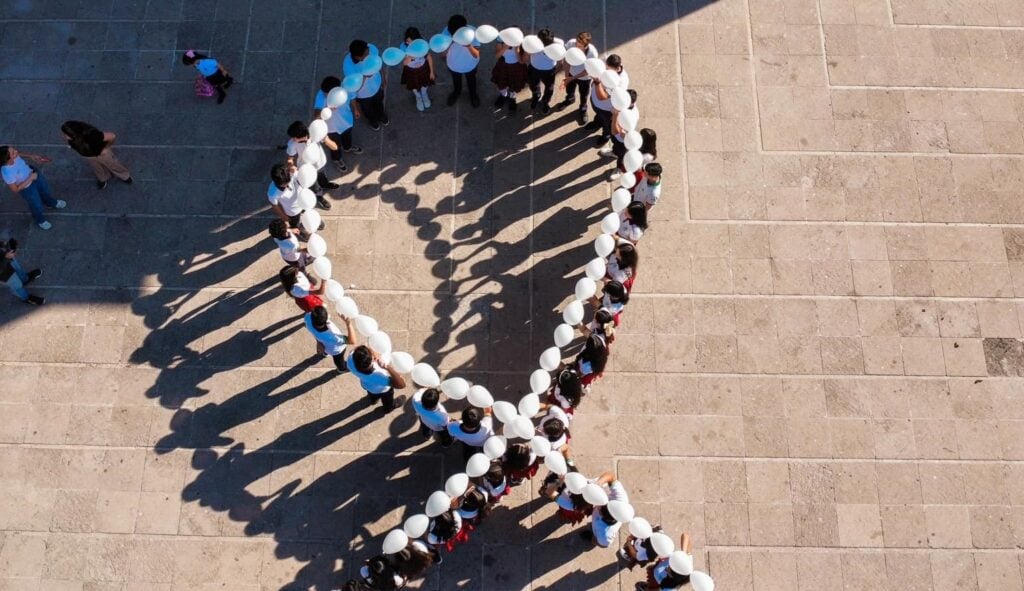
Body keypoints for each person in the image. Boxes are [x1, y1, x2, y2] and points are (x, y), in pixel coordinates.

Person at [1, 146, 65, 230]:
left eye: (14, 150)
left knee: (45, 191)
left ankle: (50, 203)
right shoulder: (7, 172)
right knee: (36, 204)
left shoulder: (14, 156)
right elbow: (15, 189)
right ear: (8, 160)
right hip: (27, 188)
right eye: (13, 152)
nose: (16, 151)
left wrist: (31, 156)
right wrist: (30, 178)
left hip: (33, 174)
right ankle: (40, 220)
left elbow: (19, 154)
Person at [59, 121, 132, 189]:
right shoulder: (72, 138)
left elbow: (112, 136)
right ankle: (102, 179)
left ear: (75, 133)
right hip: (89, 156)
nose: (64, 136)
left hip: (102, 154)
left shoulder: (92, 135)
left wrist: (106, 148)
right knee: (97, 168)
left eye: (66, 134)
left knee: (113, 164)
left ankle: (124, 175)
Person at [314, 77, 362, 173]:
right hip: (332, 129)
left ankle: (348, 148)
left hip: (347, 123)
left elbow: (352, 97)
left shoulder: (345, 89)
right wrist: (327, 109)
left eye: (327, 93)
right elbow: (316, 115)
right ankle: (337, 159)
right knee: (335, 147)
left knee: (348, 139)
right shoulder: (321, 95)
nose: (325, 94)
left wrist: (356, 109)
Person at [286, 121, 339, 207]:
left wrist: (325, 139)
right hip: (307, 168)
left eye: (294, 137)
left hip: (320, 163)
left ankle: (325, 184)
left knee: (322, 176)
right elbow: (290, 158)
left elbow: (335, 147)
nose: (292, 139)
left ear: (301, 136)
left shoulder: (315, 132)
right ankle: (319, 196)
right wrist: (291, 165)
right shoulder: (292, 144)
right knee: (315, 185)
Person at [344, 40, 389, 130]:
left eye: (367, 52)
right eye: (365, 55)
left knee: (379, 103)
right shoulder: (348, 67)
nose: (368, 55)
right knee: (367, 109)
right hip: (363, 95)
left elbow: (379, 64)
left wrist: (383, 78)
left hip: (377, 86)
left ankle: (381, 115)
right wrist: (364, 76)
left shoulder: (372, 49)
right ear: (357, 57)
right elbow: (352, 87)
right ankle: (373, 121)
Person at [585, 54, 629, 146]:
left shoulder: (621, 83)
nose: (606, 72)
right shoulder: (606, 60)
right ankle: (597, 123)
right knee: (598, 117)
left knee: (607, 124)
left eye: (609, 71)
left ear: (618, 69)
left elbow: (602, 97)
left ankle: (606, 136)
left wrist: (597, 82)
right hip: (595, 102)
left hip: (606, 109)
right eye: (606, 68)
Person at [556, 31, 599, 125]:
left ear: (586, 45)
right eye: (576, 42)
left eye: (579, 45)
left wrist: (572, 78)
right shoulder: (571, 43)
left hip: (584, 78)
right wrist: (567, 76)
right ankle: (570, 99)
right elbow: (566, 60)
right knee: (569, 89)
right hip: (571, 73)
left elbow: (588, 71)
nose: (576, 46)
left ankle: (583, 108)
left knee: (584, 95)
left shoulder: (592, 54)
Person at [346, 345, 407, 412]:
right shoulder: (380, 374)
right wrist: (387, 367)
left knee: (372, 395)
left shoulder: (350, 361)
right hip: (383, 390)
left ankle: (373, 400)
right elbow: (401, 385)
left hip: (367, 386)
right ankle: (388, 408)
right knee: (387, 401)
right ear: (372, 359)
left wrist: (370, 353)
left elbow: (355, 350)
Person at [580, 472, 630, 547]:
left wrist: (593, 539)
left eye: (602, 506)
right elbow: (611, 476)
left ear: (602, 516)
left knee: (594, 534)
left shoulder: (606, 535)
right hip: (597, 523)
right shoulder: (622, 500)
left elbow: (603, 545)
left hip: (597, 533)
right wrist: (598, 484)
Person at [443, 14, 481, 107]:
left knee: (471, 80)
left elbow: (476, 55)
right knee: (456, 81)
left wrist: (469, 45)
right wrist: (448, 44)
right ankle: (457, 92)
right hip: (453, 65)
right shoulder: (447, 31)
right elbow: (442, 53)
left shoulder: (473, 33)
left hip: (470, 65)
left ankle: (473, 95)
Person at [305, 305, 354, 374]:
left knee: (326, 348)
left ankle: (325, 353)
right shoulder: (333, 336)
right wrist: (349, 324)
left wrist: (318, 342)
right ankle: (342, 368)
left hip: (324, 344)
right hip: (336, 350)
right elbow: (351, 341)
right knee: (339, 360)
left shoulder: (307, 318)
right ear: (326, 320)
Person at [600, 89, 639, 170]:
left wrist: (615, 116)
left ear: (630, 102)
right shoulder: (624, 106)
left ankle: (619, 169)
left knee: (622, 155)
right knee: (616, 148)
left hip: (622, 140)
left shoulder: (631, 116)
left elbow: (616, 132)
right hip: (617, 135)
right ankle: (614, 152)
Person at [399, 27, 435, 111]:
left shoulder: (423, 43)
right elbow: (404, 63)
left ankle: (424, 94)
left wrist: (432, 72)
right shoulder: (403, 46)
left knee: (425, 83)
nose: (410, 43)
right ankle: (418, 98)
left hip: (423, 68)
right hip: (410, 70)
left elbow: (429, 57)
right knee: (413, 86)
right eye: (409, 41)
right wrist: (411, 55)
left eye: (413, 41)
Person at [527, 28, 561, 114]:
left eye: (548, 43)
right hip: (534, 68)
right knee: (533, 85)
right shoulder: (532, 42)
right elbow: (527, 53)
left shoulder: (559, 44)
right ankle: (536, 96)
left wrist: (557, 70)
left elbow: (561, 58)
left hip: (549, 71)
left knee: (549, 89)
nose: (546, 46)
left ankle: (545, 102)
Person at [490, 35, 528, 111]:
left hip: (517, 68)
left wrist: (517, 50)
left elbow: (522, 61)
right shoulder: (501, 41)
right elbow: (497, 56)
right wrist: (505, 47)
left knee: (515, 85)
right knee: (501, 84)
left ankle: (512, 98)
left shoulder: (523, 44)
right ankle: (503, 95)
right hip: (503, 66)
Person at [1, 238, 43, 305]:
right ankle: (26, 298)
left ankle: (25, 279)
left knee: (18, 270)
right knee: (16, 285)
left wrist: (5, 245)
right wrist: (6, 258)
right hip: (4, 274)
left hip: (7, 260)